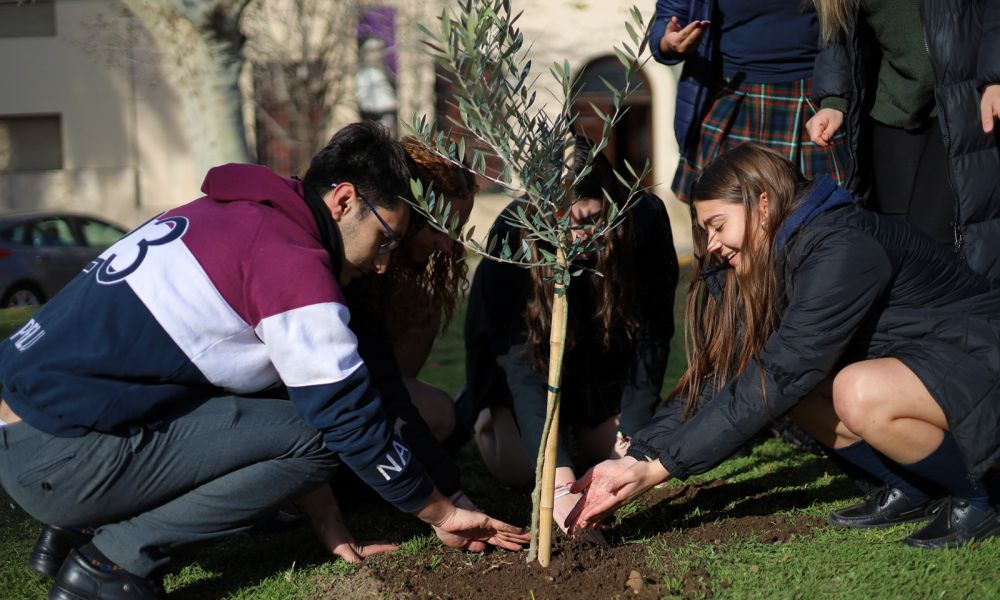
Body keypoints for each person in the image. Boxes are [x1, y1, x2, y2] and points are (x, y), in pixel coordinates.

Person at [0, 122, 528, 600]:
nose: (386, 262)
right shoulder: (290, 263)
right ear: (343, 200)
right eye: (386, 238)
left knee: (297, 414)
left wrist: (352, 518)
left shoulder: (239, 214)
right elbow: (345, 418)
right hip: (55, 457)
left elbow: (367, 388)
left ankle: (73, 534)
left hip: (38, 428)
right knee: (329, 434)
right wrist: (437, 511)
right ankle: (111, 564)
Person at [566, 143, 1000, 549]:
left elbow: (784, 370)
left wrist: (660, 470)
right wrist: (639, 454)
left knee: (854, 390)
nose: (712, 244)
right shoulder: (779, 254)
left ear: (763, 205)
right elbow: (730, 372)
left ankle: (981, 496)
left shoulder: (839, 246)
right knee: (794, 394)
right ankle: (910, 486)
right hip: (924, 361)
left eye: (718, 225)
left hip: (979, 355)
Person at [466, 137, 679, 537]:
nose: (573, 238)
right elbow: (518, 366)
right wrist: (559, 484)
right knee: (513, 467)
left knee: (639, 465)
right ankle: (488, 421)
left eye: (588, 222)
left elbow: (654, 332)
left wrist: (632, 431)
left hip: (599, 370)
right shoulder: (512, 238)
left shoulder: (643, 220)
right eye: (560, 224)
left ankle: (582, 431)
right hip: (525, 374)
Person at [806, 0, 1000, 280]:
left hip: (964, 97)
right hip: (893, 103)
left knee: (936, 243)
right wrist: (833, 100)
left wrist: (995, 76)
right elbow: (837, 31)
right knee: (894, 244)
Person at [341, 135, 479, 515]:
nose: (449, 246)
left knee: (439, 414)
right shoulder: (353, 268)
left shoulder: (418, 292)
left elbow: (401, 382)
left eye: (458, 231)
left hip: (380, 398)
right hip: (334, 400)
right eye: (438, 228)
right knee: (437, 413)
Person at [650, 0, 848, 203]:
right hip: (729, 99)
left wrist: (833, 101)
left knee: (815, 221)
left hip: (810, 105)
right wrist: (668, 42)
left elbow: (844, 30)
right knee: (720, 219)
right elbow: (672, 13)